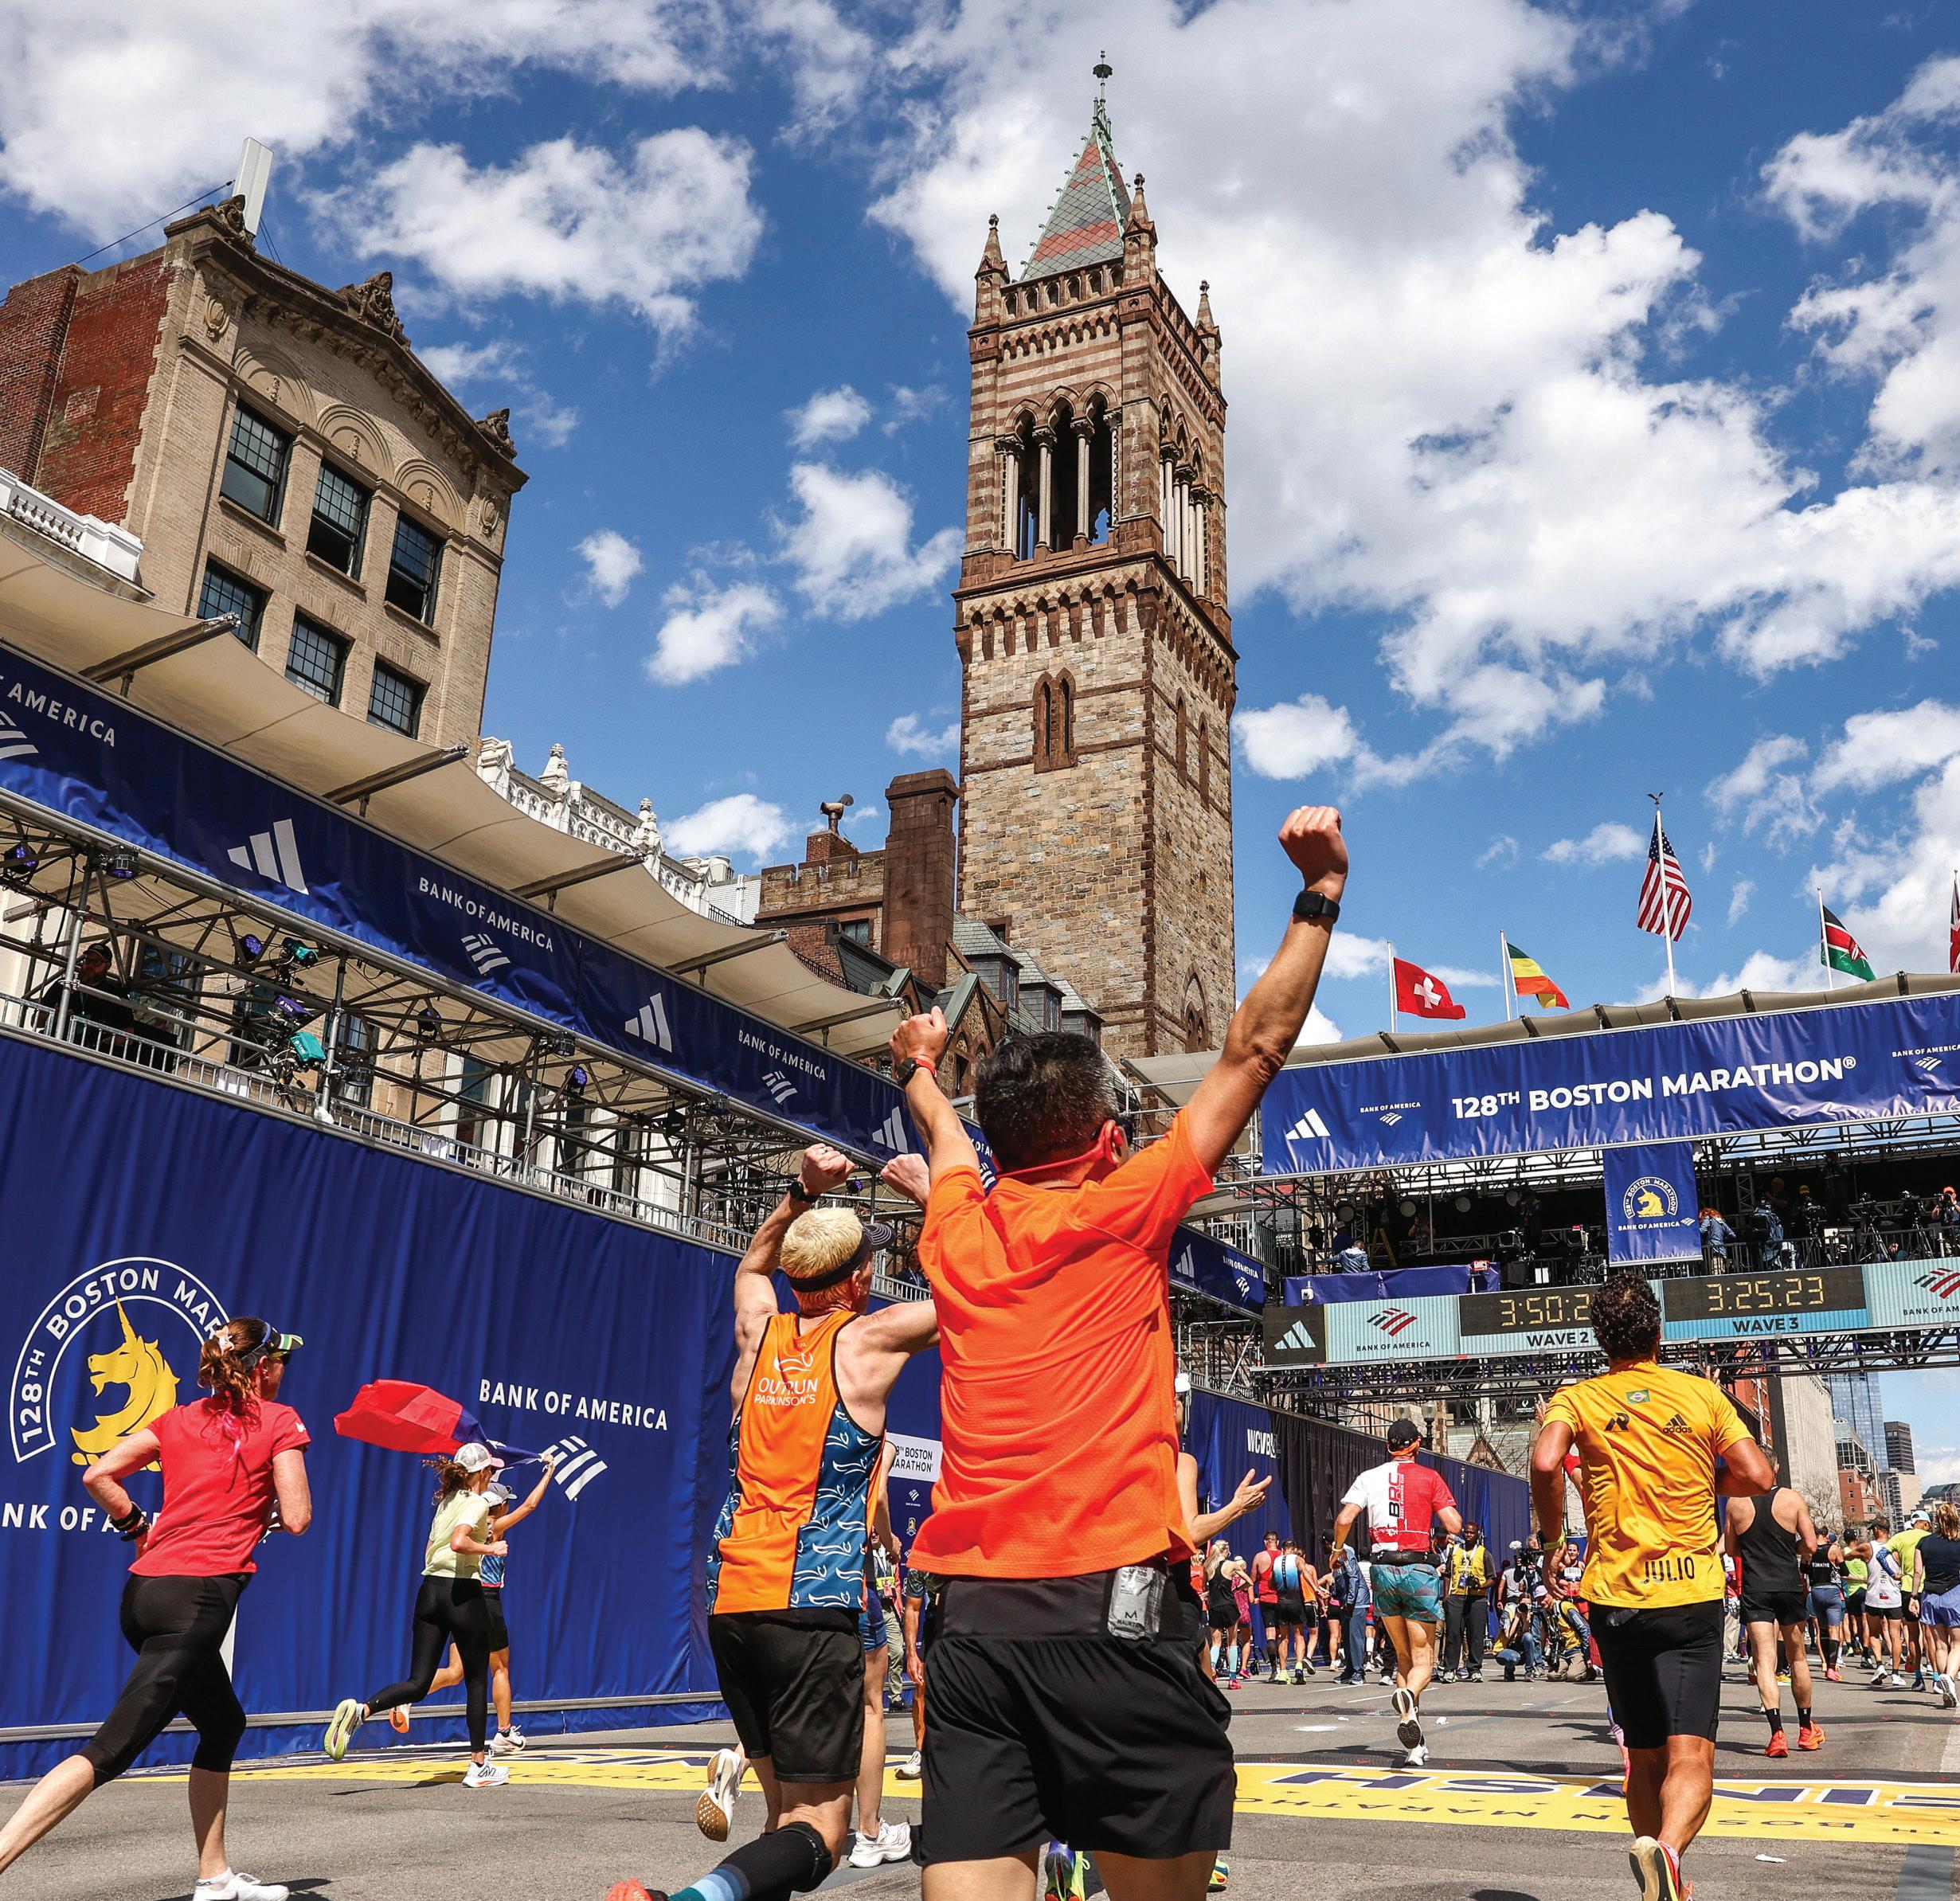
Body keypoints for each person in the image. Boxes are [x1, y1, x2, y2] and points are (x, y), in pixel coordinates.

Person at [900, 804, 1349, 1901]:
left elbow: (946, 1138)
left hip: (974, 1626)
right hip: (1112, 1613)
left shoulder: (956, 1232)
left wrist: (918, 1065)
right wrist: (1319, 894)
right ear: (1109, 1139)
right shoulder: (1125, 1204)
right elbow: (1255, 1049)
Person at [609, 1144, 937, 1901]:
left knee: (782, 1821)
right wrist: (933, 1197)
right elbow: (979, 1290)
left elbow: (752, 1267)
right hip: (810, 1606)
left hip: (732, 1604)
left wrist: (800, 1190)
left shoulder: (758, 1331)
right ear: (858, 1280)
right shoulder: (868, 1339)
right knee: (822, 1832)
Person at [0, 1318, 311, 1899]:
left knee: (224, 1723)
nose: (285, 1371)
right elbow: (297, 1517)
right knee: (108, 1752)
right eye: (282, 1361)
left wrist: (139, 1526)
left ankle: (215, 1878)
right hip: (196, 1602)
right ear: (265, 1367)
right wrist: (264, 1504)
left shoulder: (178, 1418)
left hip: (144, 1597)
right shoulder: (279, 1420)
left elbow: (98, 1474)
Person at [1531, 1270, 1775, 1901]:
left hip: (1615, 1597)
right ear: (1658, 1332)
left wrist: (1552, 1541)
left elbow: (1544, 1460)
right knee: (1690, 1754)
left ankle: (1659, 1877)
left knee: (1642, 1755)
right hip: (1689, 1595)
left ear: (1599, 1338)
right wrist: (1701, 1478)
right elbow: (1757, 1474)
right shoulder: (1701, 1394)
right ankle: (1666, 1851)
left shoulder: (1576, 1398)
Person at [325, 1439, 513, 1786]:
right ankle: (478, 1765)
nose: (491, 1475)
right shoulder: (476, 1503)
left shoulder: (446, 1502)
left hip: (430, 1592)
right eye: (490, 1470)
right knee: (476, 1681)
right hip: (462, 1592)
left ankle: (362, 1711)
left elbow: (431, 1549)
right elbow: (459, 1542)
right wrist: (492, 1549)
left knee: (418, 1682)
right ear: (481, 1473)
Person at [1329, 1419, 1461, 1766]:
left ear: (1389, 1446)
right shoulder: (1429, 1477)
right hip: (1418, 1568)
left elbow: (1344, 1519)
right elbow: (1454, 1524)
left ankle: (1414, 1745)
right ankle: (1409, 1693)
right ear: (1417, 1444)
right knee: (1423, 1661)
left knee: (1403, 1657)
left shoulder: (1369, 1477)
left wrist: (1337, 1550)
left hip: (1383, 1569)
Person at [413, 1457, 557, 1753]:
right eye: (506, 1504)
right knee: (499, 1667)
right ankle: (504, 1732)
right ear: (499, 1506)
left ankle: (407, 1695)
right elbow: (530, 1506)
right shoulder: (494, 1526)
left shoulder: (461, 1516)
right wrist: (548, 1474)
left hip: (459, 1598)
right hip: (486, 1602)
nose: (508, 1508)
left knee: (455, 1672)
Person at [1723, 1484, 1822, 1755]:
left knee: (1765, 1661)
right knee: (1797, 1657)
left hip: (1756, 1588)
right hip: (1788, 1585)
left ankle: (1777, 1734)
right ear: (1776, 1468)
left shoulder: (1736, 1502)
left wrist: (1756, 1549)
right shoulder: (1792, 1498)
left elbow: (1731, 1548)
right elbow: (1811, 1545)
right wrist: (1788, 1547)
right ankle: (1806, 1730)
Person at [848, 1442, 910, 1869]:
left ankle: (740, 1758)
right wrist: (890, 1542)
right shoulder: (872, 1438)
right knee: (871, 1707)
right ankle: (868, 1832)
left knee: (810, 1703)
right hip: (853, 1583)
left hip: (796, 1586)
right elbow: (881, 1496)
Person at [1910, 1500, 1960, 1708]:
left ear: (1937, 1520)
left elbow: (1918, 1572)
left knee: (1940, 1645)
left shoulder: (1924, 1543)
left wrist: (1914, 1597)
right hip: (1954, 1594)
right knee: (1958, 1644)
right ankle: (1949, 1677)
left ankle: (1945, 1683)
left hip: (1930, 1595)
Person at [1860, 1520, 1907, 1685]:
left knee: (1874, 1633)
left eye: (1872, 1529)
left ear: (1877, 1529)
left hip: (1874, 1596)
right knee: (1895, 1636)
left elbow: (1847, 1555)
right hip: (1893, 1596)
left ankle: (1880, 1665)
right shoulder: (1897, 1548)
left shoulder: (1868, 1547)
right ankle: (1896, 1673)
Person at [1444, 1522, 1492, 1681]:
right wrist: (1446, 1596)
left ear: (1478, 1535)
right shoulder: (1455, 1550)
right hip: (1456, 1596)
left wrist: (1481, 1585)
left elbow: (1492, 1578)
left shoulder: (1484, 1553)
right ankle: (1450, 1669)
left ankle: (1474, 1669)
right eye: (1467, 1532)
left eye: (1472, 1533)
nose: (1469, 1535)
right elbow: (1447, 1574)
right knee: (1453, 1633)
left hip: (1477, 1598)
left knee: (1476, 1635)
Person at [1271, 1539, 1316, 1682]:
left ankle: (1283, 1672)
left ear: (1283, 1549)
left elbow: (1272, 1583)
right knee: (1299, 1635)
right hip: (1296, 1602)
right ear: (1294, 1549)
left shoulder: (1276, 1561)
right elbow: (1305, 1573)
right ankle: (1298, 1666)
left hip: (1281, 1602)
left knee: (1283, 1638)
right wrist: (1316, 1588)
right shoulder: (1297, 1559)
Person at [1324, 1540, 1370, 1684]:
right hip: (1346, 1602)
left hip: (1357, 1602)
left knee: (1355, 1637)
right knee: (1347, 1637)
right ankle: (1350, 1670)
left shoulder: (1344, 1553)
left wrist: (1350, 1601)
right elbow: (1341, 1581)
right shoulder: (1335, 1556)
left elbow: (1354, 1577)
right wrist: (1333, 1595)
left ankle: (1359, 1672)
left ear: (1328, 1543)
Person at [1805, 1535, 1847, 1681]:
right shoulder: (1834, 1549)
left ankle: (1825, 1663)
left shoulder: (1808, 1550)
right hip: (1832, 1591)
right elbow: (1845, 1571)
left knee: (1822, 1630)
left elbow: (1803, 1569)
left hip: (1816, 1590)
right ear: (1824, 1536)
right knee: (1834, 1629)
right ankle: (1832, 1667)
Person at [1250, 1531, 1281, 1678]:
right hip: (1282, 1599)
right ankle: (1283, 1668)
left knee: (1270, 1635)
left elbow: (1252, 1580)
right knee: (1282, 1634)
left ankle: (1274, 1670)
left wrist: (1252, 1597)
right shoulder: (1283, 1556)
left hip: (1266, 1599)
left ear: (1265, 1542)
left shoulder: (1259, 1557)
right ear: (1277, 1542)